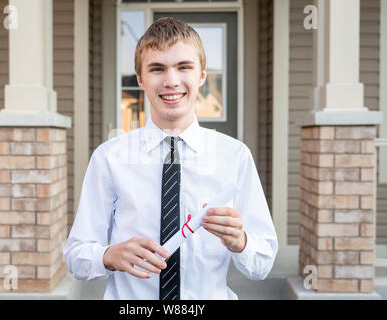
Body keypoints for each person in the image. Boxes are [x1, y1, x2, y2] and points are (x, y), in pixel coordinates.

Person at [63, 17, 278, 300]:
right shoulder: (109, 158)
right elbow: (77, 255)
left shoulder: (235, 157)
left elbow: (261, 265)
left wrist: (241, 242)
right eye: (157, 69)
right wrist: (108, 254)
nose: (171, 81)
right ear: (140, 78)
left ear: (202, 75)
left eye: (184, 67)